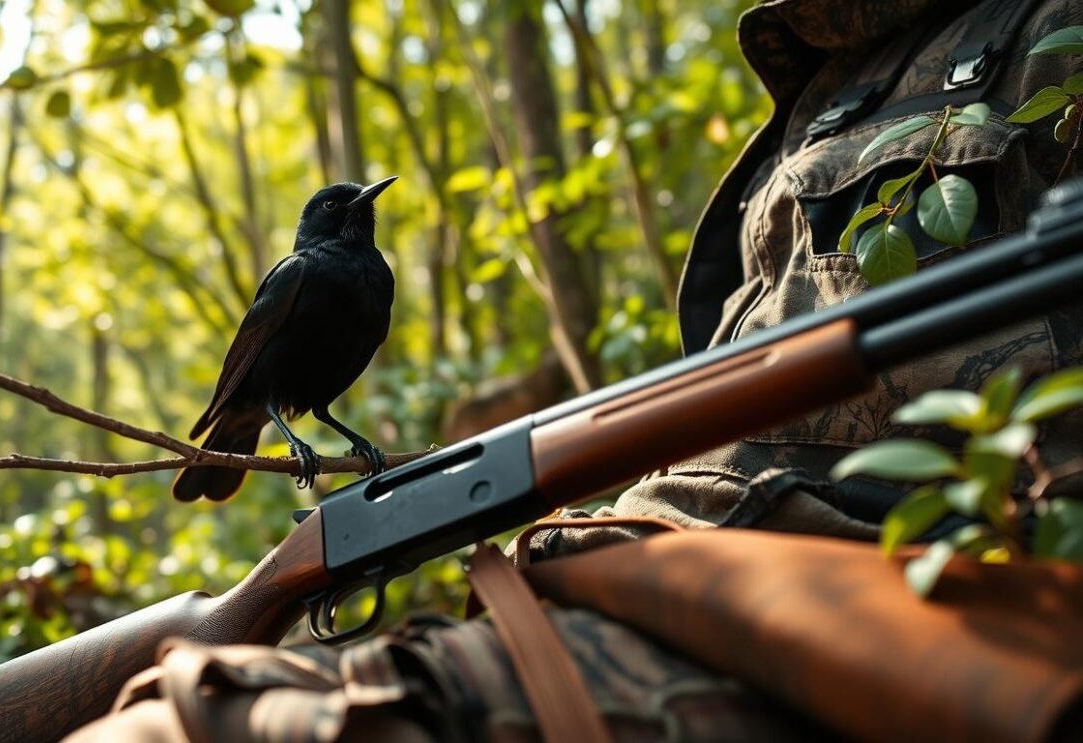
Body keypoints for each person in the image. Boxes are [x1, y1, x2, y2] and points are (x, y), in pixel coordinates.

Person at [67, 1, 1083, 740]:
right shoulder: (823, 67)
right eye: (346, 203)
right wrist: (283, 478)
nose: (360, 207)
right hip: (654, 562)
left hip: (861, 587)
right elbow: (261, 362)